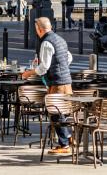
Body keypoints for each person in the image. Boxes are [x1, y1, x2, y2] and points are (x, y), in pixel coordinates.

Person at [22, 17, 73, 156]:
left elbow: (44, 67)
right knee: (61, 112)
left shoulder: (46, 42)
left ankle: (64, 144)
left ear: (39, 29)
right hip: (66, 81)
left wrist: (29, 73)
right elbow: (69, 57)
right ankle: (68, 137)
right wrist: (60, 66)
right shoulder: (60, 39)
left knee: (55, 113)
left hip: (57, 83)